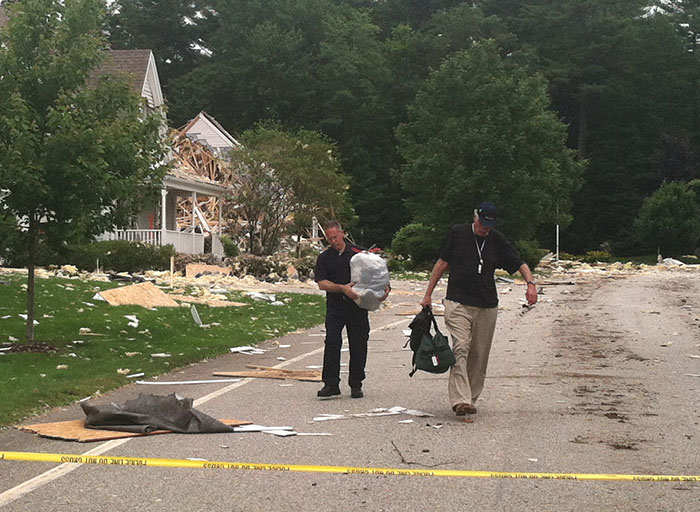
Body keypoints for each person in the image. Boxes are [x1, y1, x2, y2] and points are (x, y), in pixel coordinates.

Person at [420, 202, 537, 416]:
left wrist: (531, 284)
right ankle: (460, 400)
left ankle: (470, 398)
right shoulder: (458, 233)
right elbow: (442, 263)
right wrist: (428, 294)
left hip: (486, 305)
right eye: (483, 223)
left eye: (489, 225)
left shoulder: (496, 239)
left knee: (479, 354)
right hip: (458, 302)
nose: (485, 228)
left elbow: (519, 263)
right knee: (461, 348)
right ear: (475, 218)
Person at [314, 220, 389, 399]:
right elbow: (322, 283)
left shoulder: (360, 254)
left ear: (343, 234)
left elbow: (378, 274)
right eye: (329, 239)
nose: (333, 241)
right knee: (332, 342)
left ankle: (356, 384)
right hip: (335, 306)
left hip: (357, 306)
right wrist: (342, 288)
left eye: (335, 237)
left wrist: (384, 291)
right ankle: (331, 384)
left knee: (358, 343)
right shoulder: (324, 257)